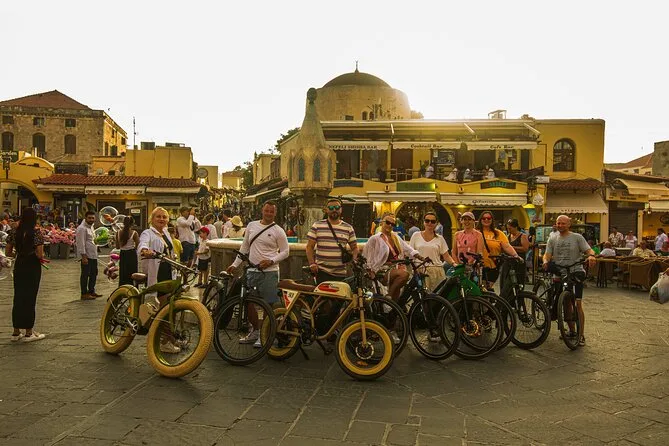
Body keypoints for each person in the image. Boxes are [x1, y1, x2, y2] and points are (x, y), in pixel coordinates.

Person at [227, 200, 289, 347]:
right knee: (248, 302)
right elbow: (244, 247)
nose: (269, 213)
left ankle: (265, 334)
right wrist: (235, 264)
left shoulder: (278, 230)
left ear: (275, 213)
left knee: (268, 305)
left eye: (271, 211)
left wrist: (271, 261)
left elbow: (286, 251)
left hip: (270, 272)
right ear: (262, 210)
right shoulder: (251, 226)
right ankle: (255, 330)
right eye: (267, 210)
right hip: (252, 270)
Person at [543, 215, 596, 346]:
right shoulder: (552, 238)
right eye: (558, 223)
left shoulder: (577, 237)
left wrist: (591, 256)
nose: (560, 225)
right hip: (560, 271)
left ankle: (581, 334)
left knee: (578, 303)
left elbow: (589, 250)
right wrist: (545, 261)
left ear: (569, 224)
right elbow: (547, 254)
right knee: (566, 301)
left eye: (563, 223)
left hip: (575, 270)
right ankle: (572, 330)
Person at [138, 207, 180, 353]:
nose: (162, 219)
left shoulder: (166, 233)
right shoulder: (147, 233)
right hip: (158, 274)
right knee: (164, 309)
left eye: (164, 217)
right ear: (152, 218)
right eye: (158, 216)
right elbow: (143, 244)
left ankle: (170, 338)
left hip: (169, 272)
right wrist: (145, 251)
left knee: (170, 307)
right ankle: (165, 341)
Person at [363, 212, 426, 306]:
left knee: (397, 295)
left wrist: (421, 257)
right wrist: (370, 271)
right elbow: (367, 255)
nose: (390, 225)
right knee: (404, 275)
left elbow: (408, 249)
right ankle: (388, 296)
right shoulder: (375, 239)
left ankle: (393, 309)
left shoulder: (395, 237)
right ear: (382, 223)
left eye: (393, 224)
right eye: (388, 222)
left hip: (395, 268)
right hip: (381, 270)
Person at [6, 207, 47, 342]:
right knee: (30, 297)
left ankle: (16, 331)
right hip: (32, 265)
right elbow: (40, 254)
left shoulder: (14, 231)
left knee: (18, 296)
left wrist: (18, 253)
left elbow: (8, 252)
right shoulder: (36, 232)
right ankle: (29, 331)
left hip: (19, 264)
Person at [409, 211, 454, 291]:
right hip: (420, 271)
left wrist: (454, 264)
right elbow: (410, 253)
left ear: (436, 223)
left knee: (437, 296)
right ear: (424, 222)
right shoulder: (416, 235)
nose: (429, 223)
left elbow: (446, 256)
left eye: (432, 221)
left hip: (436, 271)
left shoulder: (440, 238)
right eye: (427, 221)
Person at [477, 211, 518, 289]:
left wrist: (516, 255)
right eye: (484, 218)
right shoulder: (476, 232)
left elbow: (507, 246)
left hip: (492, 266)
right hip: (478, 266)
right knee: (480, 290)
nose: (486, 220)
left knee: (487, 289)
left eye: (489, 218)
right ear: (480, 220)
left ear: (492, 220)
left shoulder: (498, 233)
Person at [76, 211, 100, 300]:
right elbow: (80, 243)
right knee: (85, 274)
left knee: (94, 273)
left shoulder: (91, 227)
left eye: (93, 218)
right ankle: (84, 293)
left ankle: (91, 291)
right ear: (85, 218)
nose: (91, 219)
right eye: (89, 218)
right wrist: (83, 256)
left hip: (93, 255)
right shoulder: (81, 228)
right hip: (86, 256)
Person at [116, 216, 140, 286]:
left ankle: (122, 288)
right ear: (132, 223)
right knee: (133, 273)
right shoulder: (134, 233)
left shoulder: (118, 232)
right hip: (131, 254)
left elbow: (117, 247)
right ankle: (133, 288)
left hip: (123, 254)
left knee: (123, 272)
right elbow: (138, 245)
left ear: (123, 223)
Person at [506, 219, 530, 284]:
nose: (509, 230)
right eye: (508, 229)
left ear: (515, 227)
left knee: (519, 280)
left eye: (510, 229)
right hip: (510, 262)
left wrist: (512, 248)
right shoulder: (508, 236)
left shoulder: (523, 236)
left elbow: (525, 248)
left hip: (519, 261)